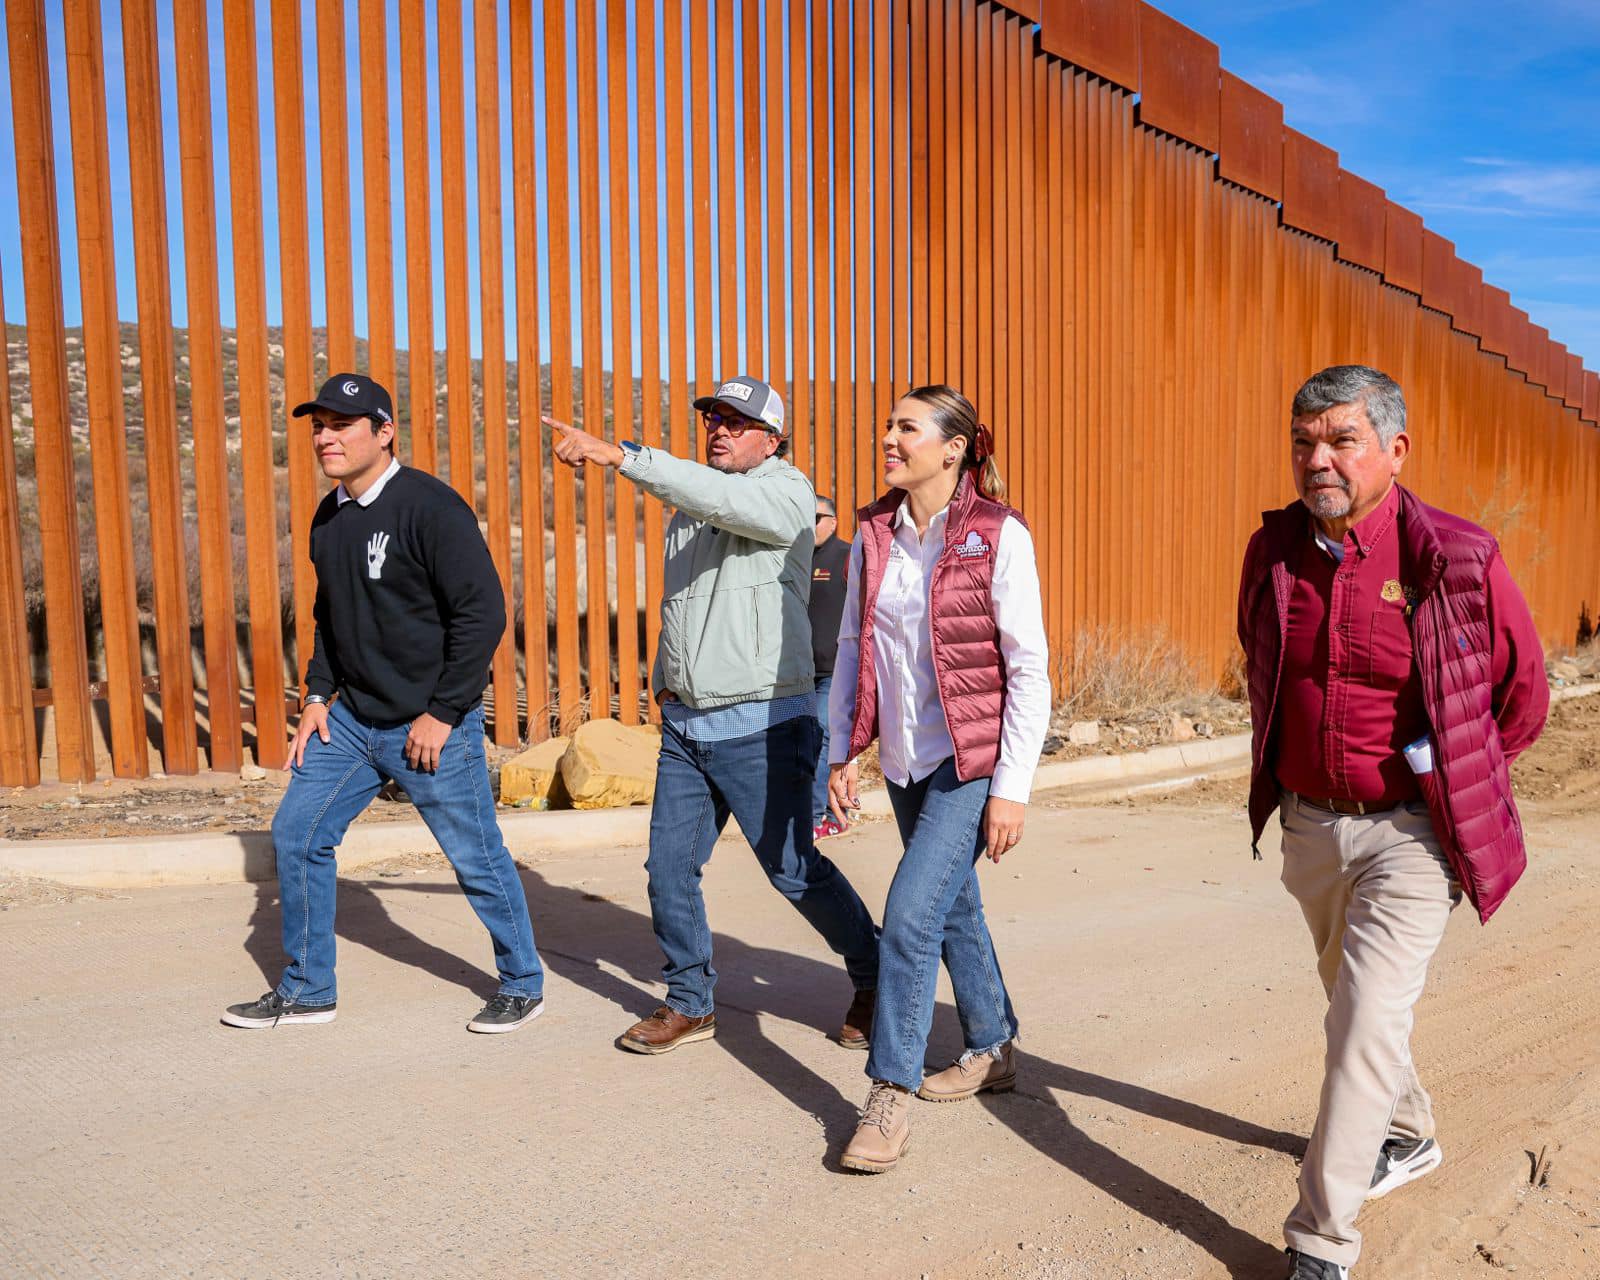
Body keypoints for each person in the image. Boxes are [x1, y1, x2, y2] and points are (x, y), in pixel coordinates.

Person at [1237, 366, 1549, 1278]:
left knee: (1361, 1025)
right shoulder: (1275, 551)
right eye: (1303, 441)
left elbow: (1521, 699)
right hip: (1310, 827)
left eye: (1341, 440)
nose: (1317, 459)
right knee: (1353, 1004)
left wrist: (1455, 777)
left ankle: (1321, 1243)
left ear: (1394, 450)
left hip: (1412, 835)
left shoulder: (1456, 556)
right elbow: (1262, 664)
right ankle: (1407, 1132)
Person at [546, 375, 880, 1055]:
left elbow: (732, 503)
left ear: (773, 438)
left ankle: (877, 976)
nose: (719, 429)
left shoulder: (786, 491)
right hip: (689, 728)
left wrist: (623, 456)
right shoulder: (690, 508)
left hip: (763, 726)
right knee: (668, 869)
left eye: (736, 420)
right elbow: (686, 607)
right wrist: (668, 684)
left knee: (793, 870)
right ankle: (692, 1002)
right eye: (712, 418)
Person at [223, 373, 547, 1034]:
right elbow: (328, 614)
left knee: (476, 857)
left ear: (384, 431)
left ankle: (523, 983)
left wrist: (444, 710)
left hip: (429, 723)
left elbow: (482, 615)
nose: (326, 437)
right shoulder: (330, 516)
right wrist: (316, 693)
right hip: (350, 722)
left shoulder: (430, 508)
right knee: (298, 833)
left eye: (342, 424)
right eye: (318, 425)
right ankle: (309, 988)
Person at [827, 385, 1050, 1173]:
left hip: (973, 763)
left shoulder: (997, 535)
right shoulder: (874, 532)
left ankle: (888, 1090)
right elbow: (855, 644)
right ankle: (993, 1045)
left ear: (952, 448)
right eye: (889, 425)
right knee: (953, 906)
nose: (888, 437)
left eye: (906, 427)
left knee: (911, 912)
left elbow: (1029, 667)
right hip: (908, 758)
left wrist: (1013, 787)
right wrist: (841, 749)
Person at [808, 495, 850, 841]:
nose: (809, 524)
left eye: (816, 517)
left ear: (833, 522)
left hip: (836, 670)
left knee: (823, 733)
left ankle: (818, 815)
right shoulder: (792, 561)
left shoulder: (847, 558)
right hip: (799, 674)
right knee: (808, 740)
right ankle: (837, 811)